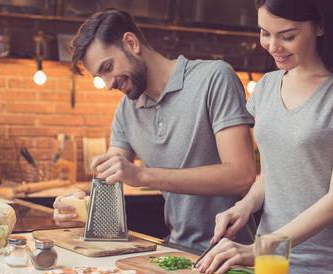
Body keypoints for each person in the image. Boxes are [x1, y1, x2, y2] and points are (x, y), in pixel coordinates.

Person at [196, 0, 333, 274]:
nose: (273, 46)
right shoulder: (265, 87)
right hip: (271, 267)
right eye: (265, 33)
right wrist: (244, 205)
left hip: (329, 273)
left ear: (321, 26)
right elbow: (274, 172)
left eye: (287, 35)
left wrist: (260, 248)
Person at [52, 9, 257, 251]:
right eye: (100, 76)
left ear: (131, 43)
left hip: (233, 253)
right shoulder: (126, 111)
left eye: (108, 67)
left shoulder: (213, 78)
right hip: (176, 249)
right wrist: (79, 201)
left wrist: (142, 175)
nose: (108, 85)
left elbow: (241, 176)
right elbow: (109, 176)